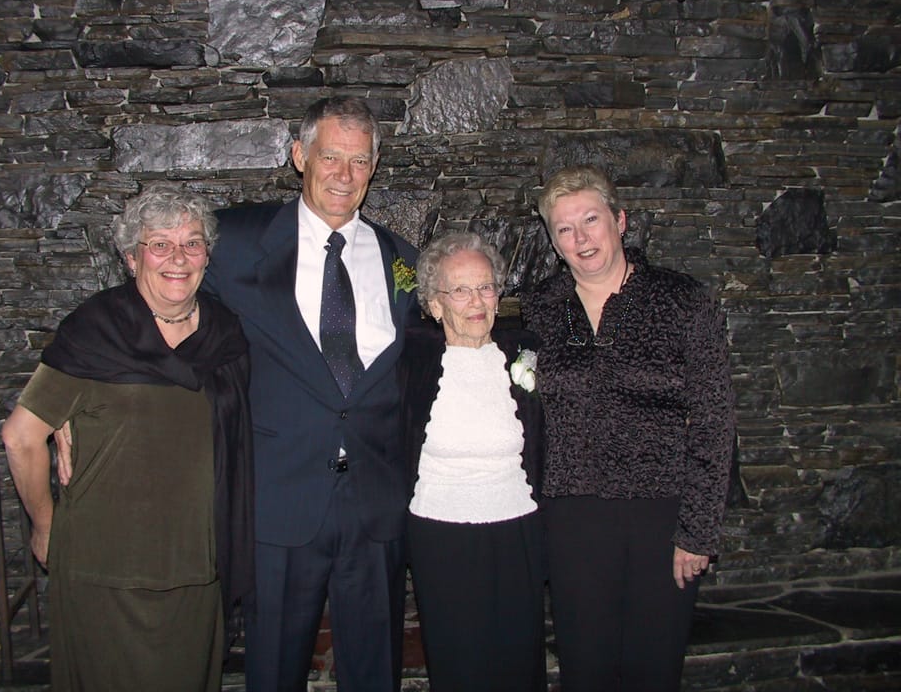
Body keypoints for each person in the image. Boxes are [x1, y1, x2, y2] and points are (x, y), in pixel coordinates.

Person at [200, 96, 419, 691]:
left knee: (376, 669)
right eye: (330, 156)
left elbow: (425, 359)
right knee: (272, 668)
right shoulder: (236, 240)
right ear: (300, 156)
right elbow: (159, 296)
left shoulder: (403, 259)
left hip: (375, 501)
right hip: (281, 495)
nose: (344, 175)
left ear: (375, 166)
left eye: (359, 160)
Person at [1, 184, 253, 692]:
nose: (177, 258)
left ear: (207, 255)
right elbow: (21, 436)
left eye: (192, 242)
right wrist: (46, 526)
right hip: (103, 567)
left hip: (197, 562)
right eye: (159, 244)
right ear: (132, 258)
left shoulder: (226, 333)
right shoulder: (97, 330)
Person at [522, 165, 736, 692]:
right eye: (564, 229)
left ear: (620, 220)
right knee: (584, 669)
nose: (581, 238)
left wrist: (699, 530)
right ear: (553, 241)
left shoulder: (681, 300)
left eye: (591, 220)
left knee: (653, 669)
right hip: (572, 518)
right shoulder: (541, 308)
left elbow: (714, 419)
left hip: (661, 517)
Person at [400, 232, 546, 692]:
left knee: (519, 664)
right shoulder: (410, 361)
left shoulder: (525, 352)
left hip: (518, 529)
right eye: (460, 289)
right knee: (460, 665)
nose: (476, 300)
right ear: (435, 304)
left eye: (485, 287)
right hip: (440, 535)